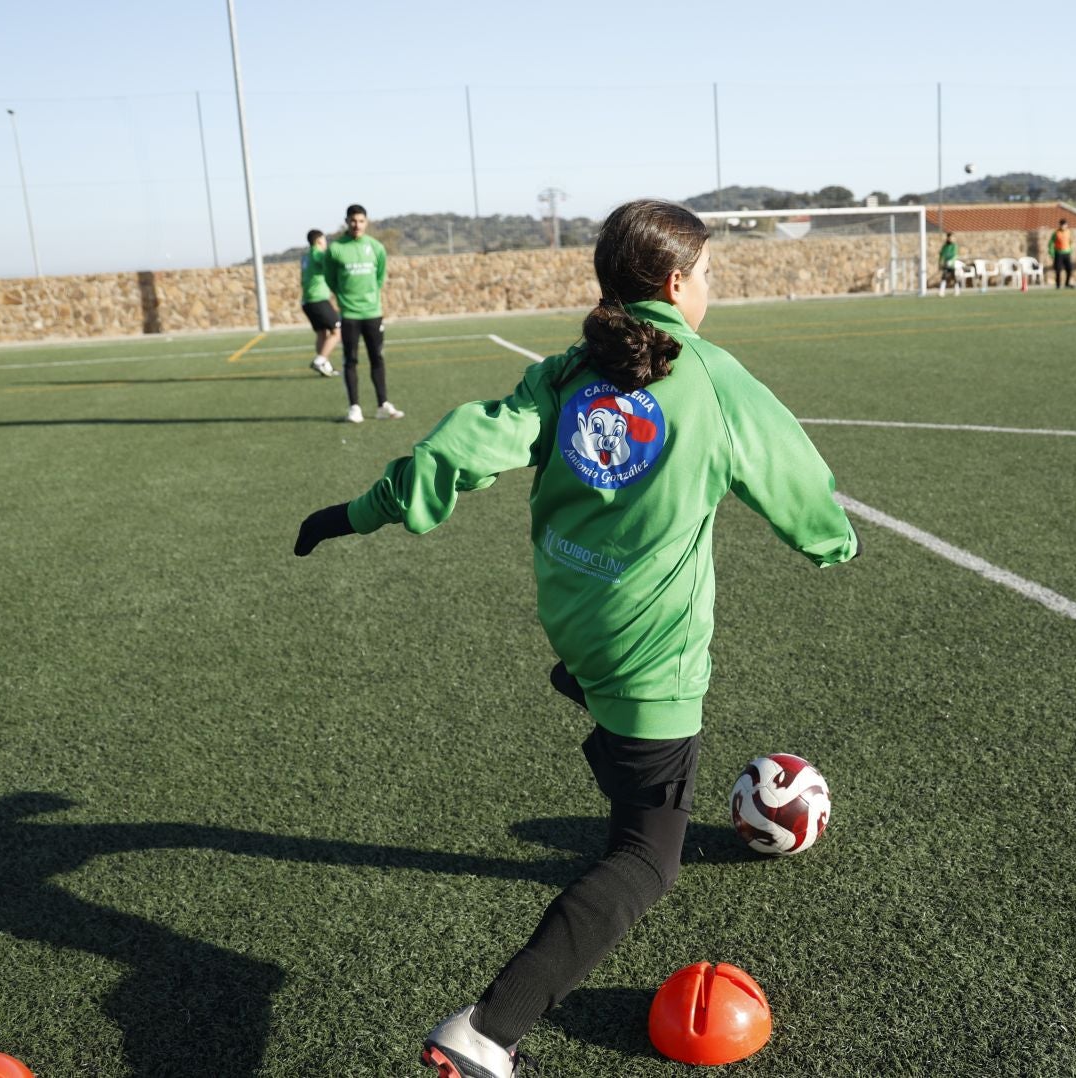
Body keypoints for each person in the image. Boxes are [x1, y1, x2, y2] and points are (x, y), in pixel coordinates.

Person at [291, 198, 861, 1078]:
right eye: (707, 274)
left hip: (574, 620)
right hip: (648, 657)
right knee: (644, 858)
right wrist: (831, 539)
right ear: (676, 283)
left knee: (604, 697)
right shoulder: (712, 378)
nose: (710, 288)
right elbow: (798, 480)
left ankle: (605, 721)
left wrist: (357, 511)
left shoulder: (565, 373)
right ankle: (488, 1029)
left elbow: (460, 448)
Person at [321, 204, 402, 423]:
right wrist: (344, 297)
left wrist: (370, 296)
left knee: (377, 357)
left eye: (361, 221)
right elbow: (330, 279)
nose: (357, 225)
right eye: (353, 221)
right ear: (347, 222)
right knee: (351, 360)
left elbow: (380, 277)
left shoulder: (376, 247)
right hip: (349, 314)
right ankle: (354, 408)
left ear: (366, 222)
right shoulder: (336, 249)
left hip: (373, 312)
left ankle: (382, 405)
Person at [300, 230, 338, 377]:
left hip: (308, 301)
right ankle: (320, 360)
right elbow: (330, 263)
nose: (326, 243)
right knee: (337, 331)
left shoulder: (306, 256)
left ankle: (325, 366)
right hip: (317, 300)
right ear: (318, 241)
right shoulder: (317, 253)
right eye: (324, 240)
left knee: (322, 333)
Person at [1050, 219, 1075, 289]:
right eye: (1062, 225)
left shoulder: (1068, 232)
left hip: (1067, 253)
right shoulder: (1056, 233)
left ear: (1066, 225)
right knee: (1058, 270)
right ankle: (1058, 285)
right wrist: (1052, 253)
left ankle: (1067, 283)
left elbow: (1071, 242)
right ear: (1060, 225)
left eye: (1064, 225)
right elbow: (1051, 243)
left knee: (1069, 269)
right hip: (1058, 253)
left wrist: (1071, 249)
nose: (1063, 226)